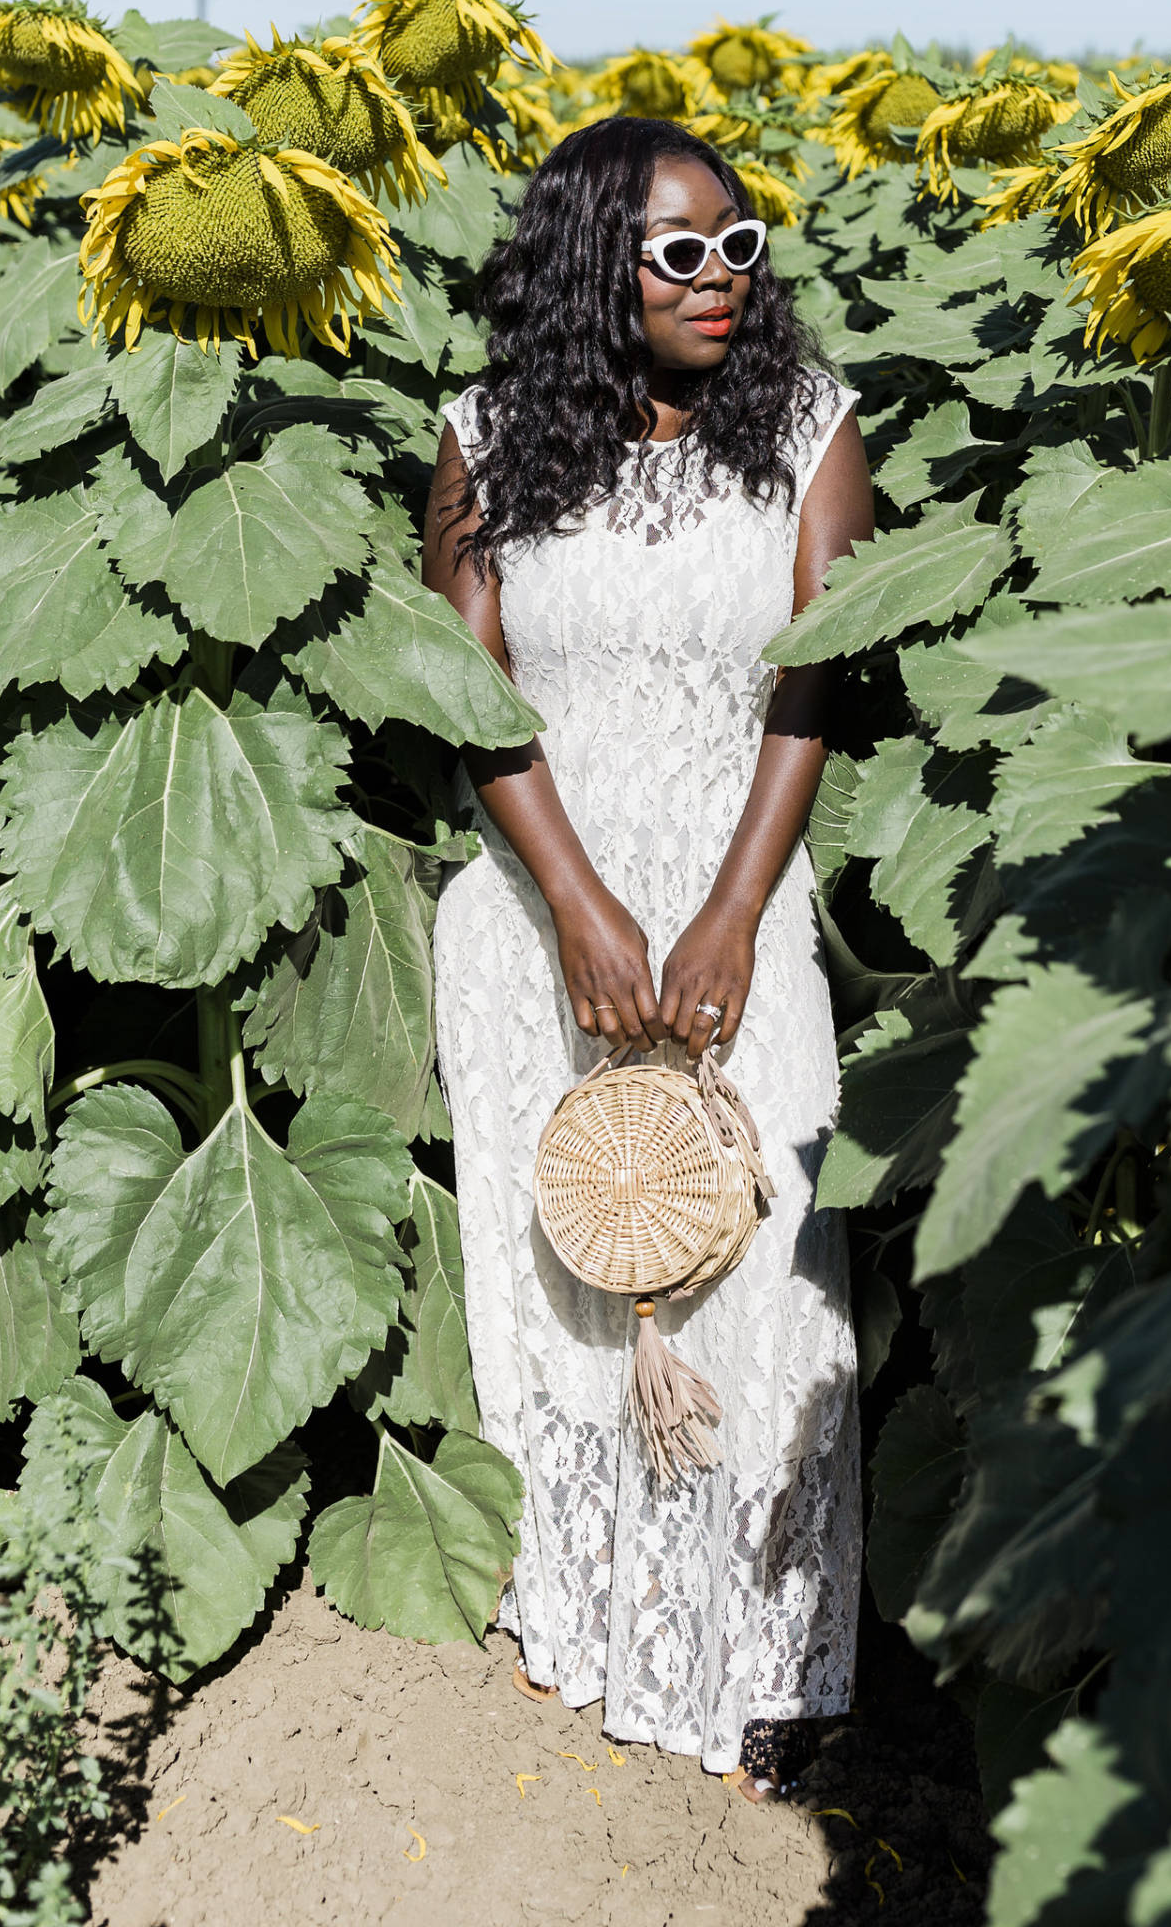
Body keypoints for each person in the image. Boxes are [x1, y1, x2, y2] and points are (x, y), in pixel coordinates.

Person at [423, 115, 874, 1802]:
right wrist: (582, 908)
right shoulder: (482, 443)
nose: (718, 280)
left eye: (739, 246)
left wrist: (732, 910)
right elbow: (474, 698)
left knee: (769, 1265)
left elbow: (815, 679)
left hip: (736, 896)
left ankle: (761, 1661)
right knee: (568, 1275)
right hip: (546, 911)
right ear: (590, 267)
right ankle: (595, 1622)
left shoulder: (807, 434)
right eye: (678, 251)